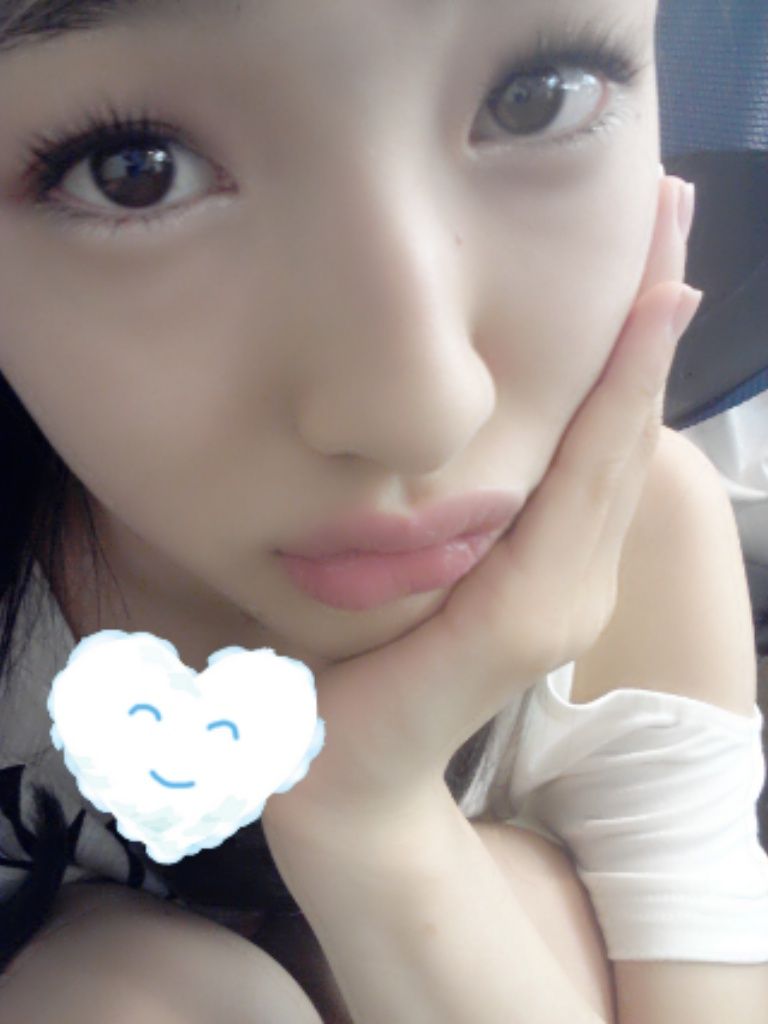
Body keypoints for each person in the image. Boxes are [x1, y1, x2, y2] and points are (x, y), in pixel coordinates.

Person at [0, 1, 766, 1022]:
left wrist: (376, 816)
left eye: (535, 99)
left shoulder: (647, 547)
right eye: (133, 170)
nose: (422, 410)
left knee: (528, 906)